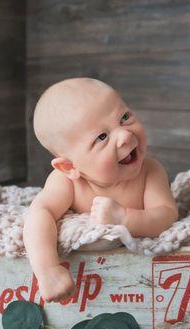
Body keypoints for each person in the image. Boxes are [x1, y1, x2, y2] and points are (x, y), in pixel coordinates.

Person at [23, 77, 178, 303]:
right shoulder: (66, 182)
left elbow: (166, 214)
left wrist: (126, 218)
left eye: (124, 118)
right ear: (70, 166)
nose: (125, 135)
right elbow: (39, 213)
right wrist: (48, 269)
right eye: (102, 137)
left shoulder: (150, 171)